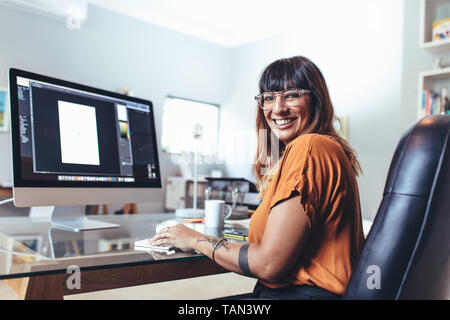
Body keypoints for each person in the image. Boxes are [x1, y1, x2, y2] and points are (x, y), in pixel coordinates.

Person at [150, 55, 365, 300]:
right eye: (268, 98)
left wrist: (195, 239)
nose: (278, 108)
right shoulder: (318, 148)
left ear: (317, 99)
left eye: (292, 95)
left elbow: (268, 264)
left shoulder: (310, 146)